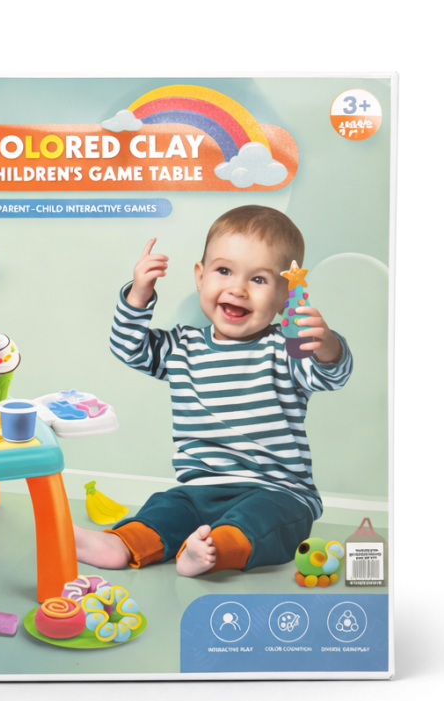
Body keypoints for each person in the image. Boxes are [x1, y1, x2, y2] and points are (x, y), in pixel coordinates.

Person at [74, 205, 352, 577]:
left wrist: (326, 345)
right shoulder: (182, 347)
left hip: (277, 491)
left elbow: (331, 375)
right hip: (199, 489)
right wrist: (139, 294)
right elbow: (129, 348)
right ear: (200, 276)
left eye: (259, 279)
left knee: (262, 520)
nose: (237, 289)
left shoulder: (287, 350)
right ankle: (122, 543)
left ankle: (214, 551)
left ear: (285, 296)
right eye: (224, 271)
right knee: (166, 509)